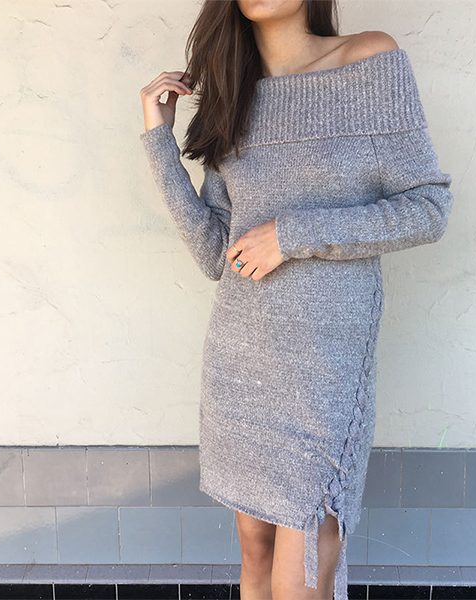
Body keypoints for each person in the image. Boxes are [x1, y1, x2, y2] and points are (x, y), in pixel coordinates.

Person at [139, 1, 454, 599]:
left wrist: (291, 235)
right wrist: (160, 140)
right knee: (255, 554)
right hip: (240, 364)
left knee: (302, 568)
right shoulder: (235, 96)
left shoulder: (369, 59)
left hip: (323, 372)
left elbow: (427, 209)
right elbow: (217, 253)